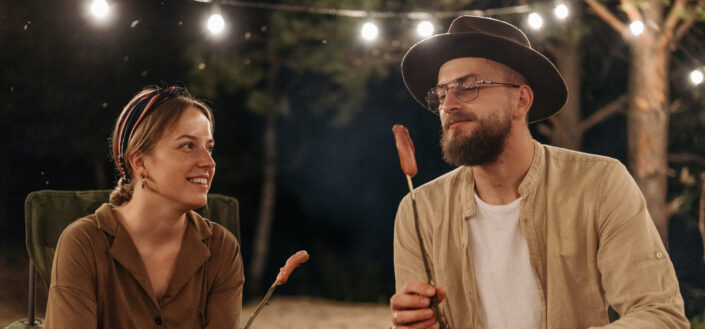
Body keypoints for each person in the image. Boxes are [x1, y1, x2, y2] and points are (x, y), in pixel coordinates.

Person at [390, 16, 688, 329]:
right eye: (441, 93)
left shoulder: (599, 184)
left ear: (521, 100)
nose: (448, 104)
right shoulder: (418, 211)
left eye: (469, 86)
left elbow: (660, 316)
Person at [45, 86, 244, 328]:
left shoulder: (222, 250)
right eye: (188, 146)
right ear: (140, 163)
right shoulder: (83, 244)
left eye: (209, 148)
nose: (208, 162)